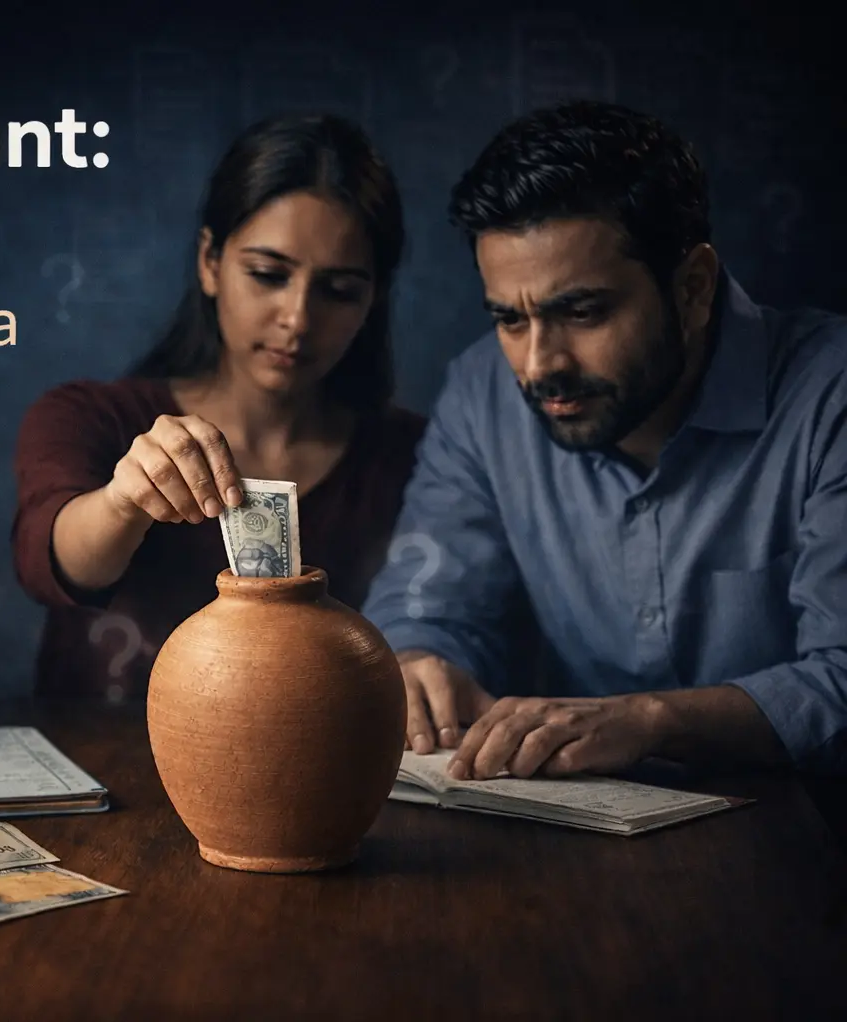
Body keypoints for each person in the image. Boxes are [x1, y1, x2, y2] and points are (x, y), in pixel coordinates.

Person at [362, 100, 846, 779]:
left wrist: (653, 722)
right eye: (509, 319)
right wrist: (417, 660)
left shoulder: (831, 397)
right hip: (580, 853)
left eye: (582, 311)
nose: (538, 366)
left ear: (694, 288)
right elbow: (432, 604)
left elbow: (841, 677)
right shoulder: (481, 394)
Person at [11, 113, 428, 699]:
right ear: (210, 262)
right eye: (266, 274)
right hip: (112, 766)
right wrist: (123, 501)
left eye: (339, 290)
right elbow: (51, 562)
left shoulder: (420, 460)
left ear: (375, 298)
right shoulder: (88, 418)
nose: (297, 319)